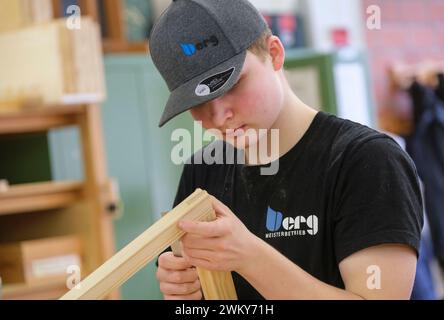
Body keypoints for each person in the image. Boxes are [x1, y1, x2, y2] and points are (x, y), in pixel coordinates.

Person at [150, 0, 423, 300]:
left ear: (275, 54)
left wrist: (251, 257)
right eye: (197, 103)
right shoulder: (202, 172)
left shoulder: (367, 162)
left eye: (229, 86)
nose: (217, 116)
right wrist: (184, 290)